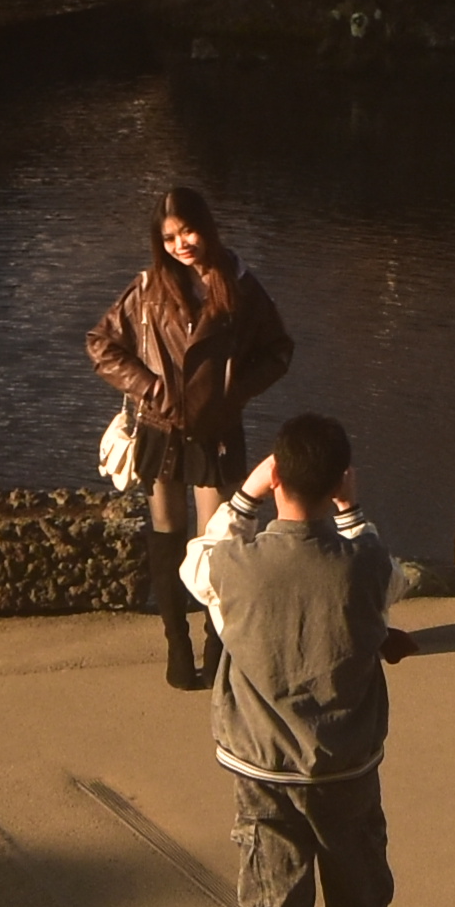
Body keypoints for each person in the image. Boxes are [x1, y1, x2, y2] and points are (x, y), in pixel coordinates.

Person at [185, 414, 415, 907]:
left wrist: (245, 496)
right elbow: (391, 574)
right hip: (346, 766)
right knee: (360, 903)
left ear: (277, 475)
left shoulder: (234, 570)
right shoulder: (365, 568)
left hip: (260, 768)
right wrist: (352, 510)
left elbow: (198, 555)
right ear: (341, 480)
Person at [85, 184, 295, 693]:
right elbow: (101, 343)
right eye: (171, 237)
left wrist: (235, 391)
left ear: (208, 226)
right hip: (161, 427)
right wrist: (149, 386)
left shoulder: (239, 284)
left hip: (215, 430)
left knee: (216, 541)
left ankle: (216, 650)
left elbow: (279, 350)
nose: (182, 244)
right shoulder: (149, 288)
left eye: (189, 231)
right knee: (166, 533)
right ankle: (177, 651)